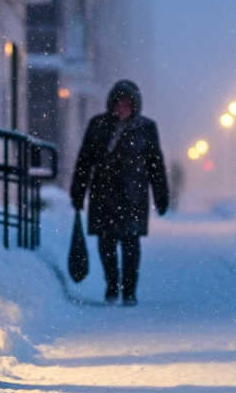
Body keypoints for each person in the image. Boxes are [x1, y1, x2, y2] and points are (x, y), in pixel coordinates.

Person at [70, 81, 169, 305]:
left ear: (135, 105)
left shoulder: (146, 128)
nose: (122, 107)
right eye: (119, 102)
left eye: (127, 103)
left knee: (130, 245)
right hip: (103, 196)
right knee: (106, 245)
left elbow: (156, 165)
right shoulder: (98, 125)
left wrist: (161, 195)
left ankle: (129, 290)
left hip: (133, 197)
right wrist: (78, 190)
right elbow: (84, 161)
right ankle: (112, 286)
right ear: (111, 104)